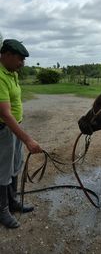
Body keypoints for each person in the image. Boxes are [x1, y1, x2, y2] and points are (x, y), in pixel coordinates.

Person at [0, 39, 43, 229]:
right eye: (20, 59)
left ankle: (13, 202)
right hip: (4, 131)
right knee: (2, 171)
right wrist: (27, 139)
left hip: (14, 129)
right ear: (7, 55)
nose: (22, 64)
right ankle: (2, 210)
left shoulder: (11, 72)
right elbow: (5, 115)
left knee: (15, 165)